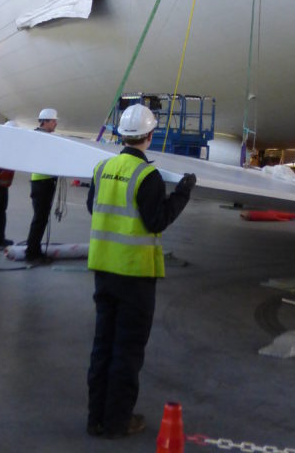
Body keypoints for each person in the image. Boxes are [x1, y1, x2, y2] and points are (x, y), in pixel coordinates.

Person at [85, 103, 196, 439]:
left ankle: (97, 418)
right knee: (127, 351)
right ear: (150, 135)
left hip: (104, 270)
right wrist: (183, 193)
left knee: (103, 346)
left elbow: (94, 207)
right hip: (135, 276)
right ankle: (118, 421)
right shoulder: (147, 176)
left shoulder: (102, 168)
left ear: (122, 134)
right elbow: (157, 220)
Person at [25, 108, 59, 263]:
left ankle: (34, 249)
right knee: (40, 218)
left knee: (41, 218)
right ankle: (32, 253)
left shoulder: (38, 136)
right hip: (43, 182)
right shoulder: (42, 138)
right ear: (47, 121)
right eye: (54, 121)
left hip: (42, 181)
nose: (56, 124)